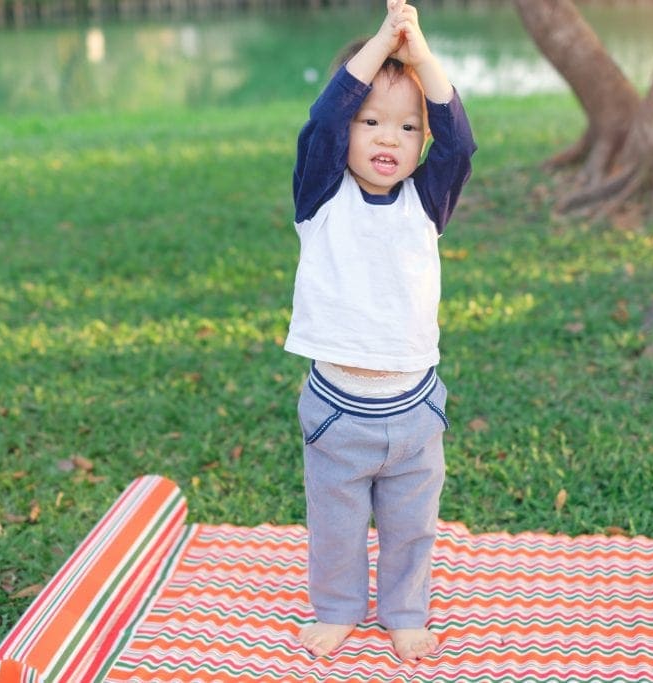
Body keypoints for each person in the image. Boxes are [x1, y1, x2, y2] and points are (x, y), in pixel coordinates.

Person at [284, 0, 477, 662]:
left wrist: (418, 56)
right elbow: (321, 122)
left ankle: (405, 610)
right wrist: (377, 47)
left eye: (406, 126)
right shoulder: (320, 196)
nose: (388, 139)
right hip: (338, 410)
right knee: (336, 525)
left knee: (411, 526)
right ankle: (338, 608)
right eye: (371, 122)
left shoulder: (427, 202)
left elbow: (461, 142)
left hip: (414, 408)